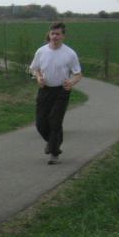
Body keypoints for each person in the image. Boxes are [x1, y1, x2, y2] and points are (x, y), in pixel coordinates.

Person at [29, 22, 82, 164]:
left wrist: (71, 82)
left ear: (63, 36)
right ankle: (53, 143)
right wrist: (38, 77)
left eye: (58, 34)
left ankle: (53, 152)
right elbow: (34, 69)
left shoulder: (70, 54)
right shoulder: (41, 51)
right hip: (45, 90)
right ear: (49, 34)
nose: (55, 37)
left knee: (55, 121)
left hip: (61, 91)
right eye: (52, 34)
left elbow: (78, 74)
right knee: (40, 123)